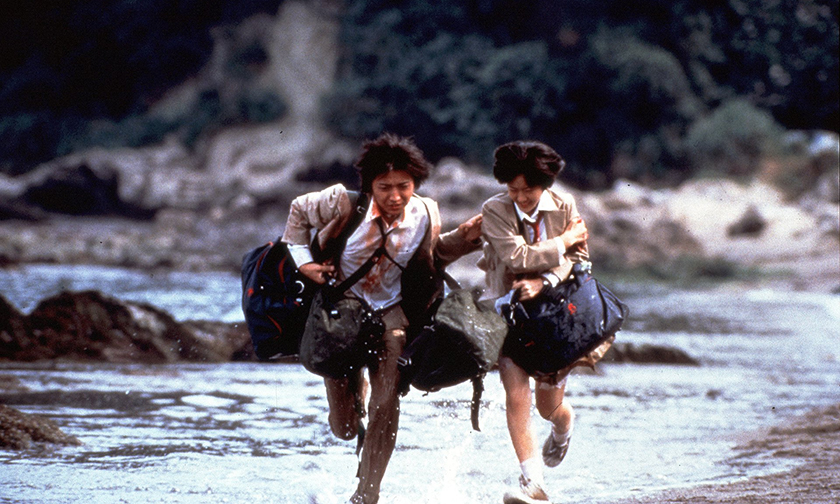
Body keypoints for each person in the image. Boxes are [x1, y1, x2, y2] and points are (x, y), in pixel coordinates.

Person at [282, 133, 482, 504]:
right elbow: (297, 212)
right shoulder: (342, 202)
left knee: (386, 401)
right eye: (384, 187)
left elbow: (433, 256)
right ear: (370, 185)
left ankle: (367, 493)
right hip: (341, 313)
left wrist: (467, 238)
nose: (395, 196)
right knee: (343, 427)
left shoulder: (426, 213)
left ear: (415, 183)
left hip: (391, 314)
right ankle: (352, 400)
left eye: (403, 186)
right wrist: (305, 264)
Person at [477, 140, 613, 504]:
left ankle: (564, 427)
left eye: (529, 190)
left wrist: (547, 280)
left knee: (548, 407)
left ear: (544, 184)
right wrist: (564, 240)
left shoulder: (564, 204)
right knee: (516, 393)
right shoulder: (494, 209)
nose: (521, 197)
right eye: (513, 189)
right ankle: (533, 484)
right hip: (508, 310)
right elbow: (517, 257)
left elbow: (580, 261)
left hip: (556, 313)